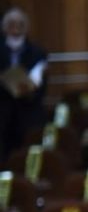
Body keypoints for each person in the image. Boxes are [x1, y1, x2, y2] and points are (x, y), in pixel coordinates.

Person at [0, 8, 47, 162]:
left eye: (20, 24)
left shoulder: (38, 53)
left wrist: (28, 90)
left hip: (28, 112)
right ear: (5, 27)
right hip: (3, 112)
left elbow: (41, 84)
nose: (16, 29)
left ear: (26, 28)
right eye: (12, 24)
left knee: (28, 155)